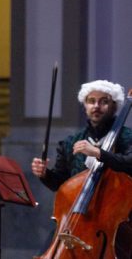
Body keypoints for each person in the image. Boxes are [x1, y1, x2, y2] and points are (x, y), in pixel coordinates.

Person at [31, 79, 132, 257]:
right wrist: (45, 174)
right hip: (74, 221)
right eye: (91, 101)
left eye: (104, 101)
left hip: (113, 225)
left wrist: (99, 153)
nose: (97, 106)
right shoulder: (71, 142)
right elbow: (61, 185)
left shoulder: (127, 138)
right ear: (85, 105)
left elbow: (129, 163)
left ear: (114, 106)